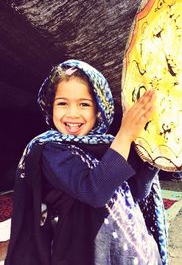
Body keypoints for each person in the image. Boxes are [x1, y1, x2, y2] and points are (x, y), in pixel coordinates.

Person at [5, 59, 168, 265]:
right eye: (62, 103)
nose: (72, 113)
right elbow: (95, 190)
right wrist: (125, 135)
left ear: (98, 109)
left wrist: (152, 154)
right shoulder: (49, 151)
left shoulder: (109, 148)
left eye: (84, 104)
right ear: (50, 107)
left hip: (127, 255)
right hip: (82, 256)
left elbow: (136, 192)